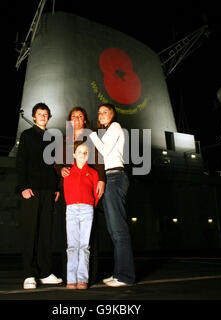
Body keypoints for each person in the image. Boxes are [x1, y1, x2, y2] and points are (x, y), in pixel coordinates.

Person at [54, 107, 105, 285]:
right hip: (68, 190)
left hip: (88, 189)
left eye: (80, 116)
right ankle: (70, 277)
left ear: (85, 120)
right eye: (73, 116)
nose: (76, 118)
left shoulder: (91, 138)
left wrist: (102, 179)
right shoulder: (64, 140)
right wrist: (61, 171)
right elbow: (57, 163)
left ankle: (87, 276)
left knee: (87, 240)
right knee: (69, 239)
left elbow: (99, 158)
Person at [16, 102, 62, 290]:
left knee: (45, 232)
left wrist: (57, 187)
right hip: (31, 190)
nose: (43, 116)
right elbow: (21, 163)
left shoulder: (53, 138)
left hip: (49, 190)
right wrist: (23, 187)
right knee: (30, 232)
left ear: (49, 117)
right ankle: (29, 274)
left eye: (45, 114)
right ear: (34, 117)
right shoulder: (27, 136)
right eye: (39, 114)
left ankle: (45, 272)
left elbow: (54, 165)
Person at [89, 103, 136, 287]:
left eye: (105, 112)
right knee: (113, 230)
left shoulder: (115, 127)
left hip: (116, 176)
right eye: (99, 112)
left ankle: (125, 276)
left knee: (119, 230)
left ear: (112, 114)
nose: (101, 115)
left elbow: (105, 151)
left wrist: (90, 133)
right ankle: (119, 273)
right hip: (110, 177)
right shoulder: (106, 132)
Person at [63, 141, 101, 290]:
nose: (83, 154)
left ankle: (82, 279)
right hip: (71, 209)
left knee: (84, 246)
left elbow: (96, 194)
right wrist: (72, 203)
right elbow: (66, 190)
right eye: (80, 152)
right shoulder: (67, 172)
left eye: (86, 152)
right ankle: (71, 279)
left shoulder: (93, 173)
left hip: (87, 209)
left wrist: (89, 204)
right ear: (74, 155)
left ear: (88, 155)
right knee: (72, 246)